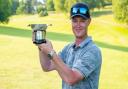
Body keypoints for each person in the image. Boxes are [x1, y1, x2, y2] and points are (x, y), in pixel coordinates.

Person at [36, 2, 102, 89]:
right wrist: (41, 46)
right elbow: (47, 66)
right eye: (75, 21)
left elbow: (72, 79)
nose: (78, 25)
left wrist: (51, 52)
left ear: (89, 22)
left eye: (82, 21)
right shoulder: (68, 49)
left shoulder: (93, 51)